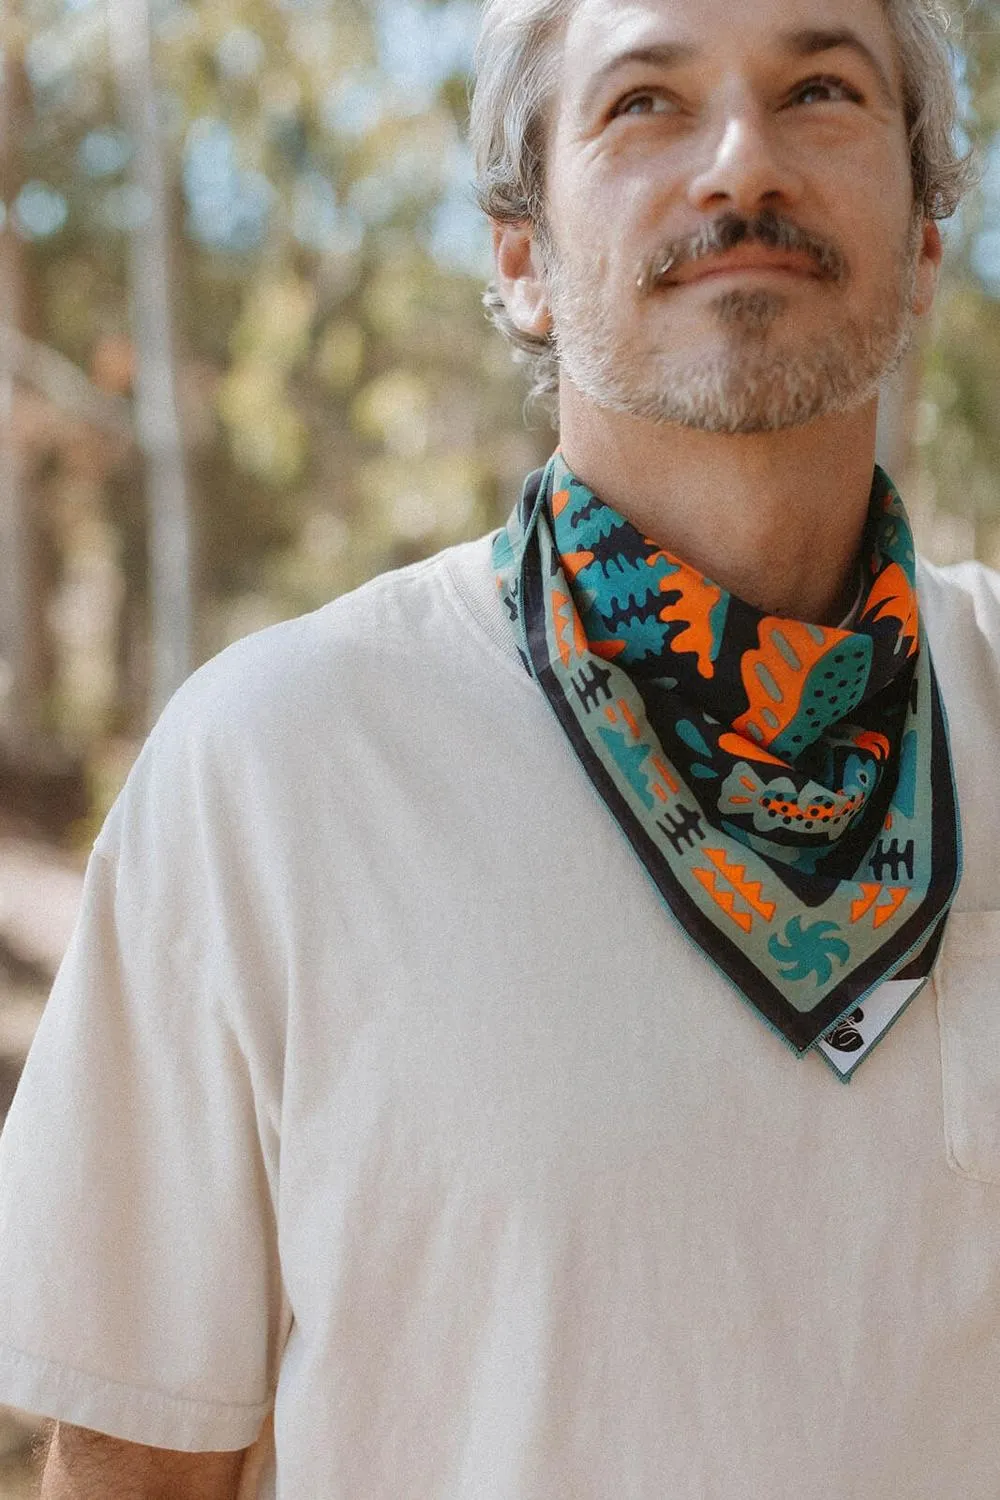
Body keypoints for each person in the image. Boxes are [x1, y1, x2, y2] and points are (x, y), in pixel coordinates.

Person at [0, 0, 997, 1493]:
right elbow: (139, 1469)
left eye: (821, 90)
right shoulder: (275, 768)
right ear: (523, 256)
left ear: (924, 236)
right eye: (646, 101)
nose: (743, 161)